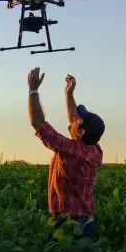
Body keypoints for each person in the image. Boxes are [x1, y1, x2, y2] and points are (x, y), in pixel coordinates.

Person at [27, 67, 105, 239]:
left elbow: (37, 122)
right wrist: (69, 94)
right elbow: (72, 119)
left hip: (71, 226)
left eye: (78, 118)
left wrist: (33, 90)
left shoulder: (71, 151)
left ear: (81, 132)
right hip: (86, 223)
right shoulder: (94, 149)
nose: (74, 117)